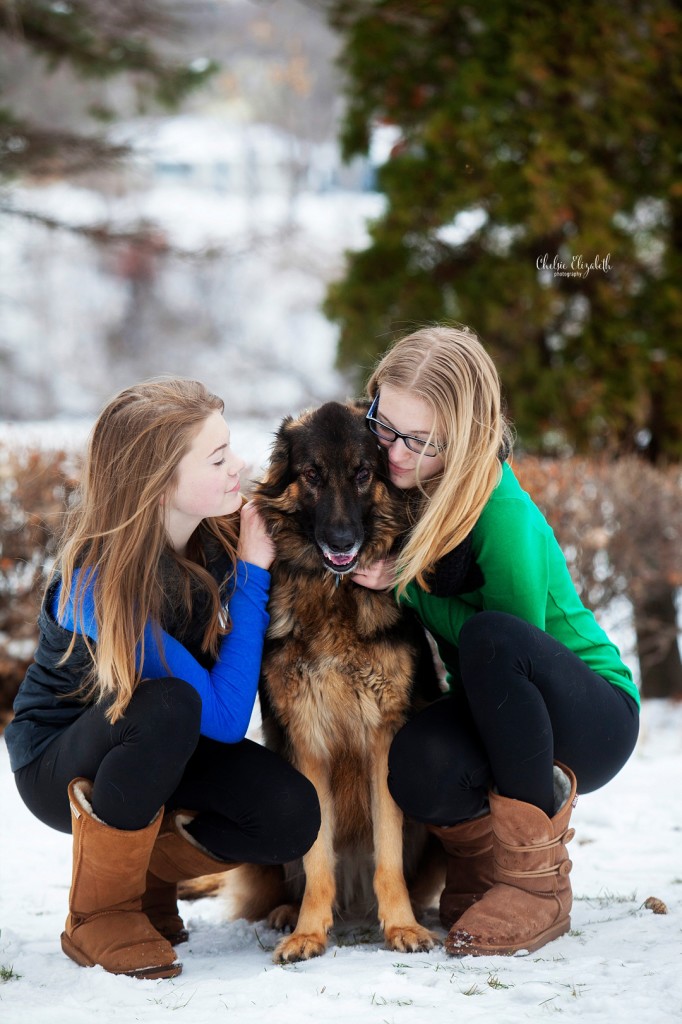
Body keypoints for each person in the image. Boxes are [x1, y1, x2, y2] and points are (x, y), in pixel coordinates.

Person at [4, 379, 320, 980]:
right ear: (161, 481)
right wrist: (253, 575)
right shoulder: (96, 586)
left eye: (232, 450)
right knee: (170, 702)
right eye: (218, 457)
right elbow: (224, 720)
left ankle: (144, 877)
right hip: (62, 765)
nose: (239, 468)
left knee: (289, 815)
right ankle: (100, 910)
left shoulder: (216, 538)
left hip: (160, 746)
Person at [352, 325, 640, 957]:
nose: (395, 453)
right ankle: (481, 871)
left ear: (466, 438)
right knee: (417, 762)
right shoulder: (409, 488)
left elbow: (507, 649)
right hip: (497, 713)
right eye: (384, 425)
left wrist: (405, 582)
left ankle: (535, 885)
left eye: (421, 441)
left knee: (488, 636)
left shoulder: (498, 511)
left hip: (588, 714)